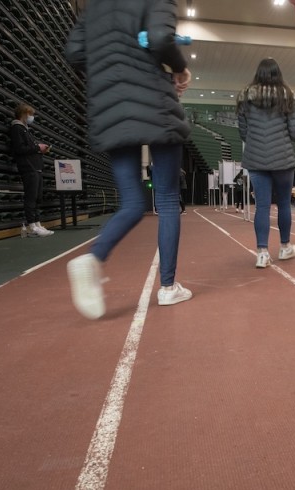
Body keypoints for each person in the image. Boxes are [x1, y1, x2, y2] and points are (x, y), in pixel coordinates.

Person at [64, 0, 193, 319]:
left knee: (132, 203)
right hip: (154, 101)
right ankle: (167, 288)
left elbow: (75, 53)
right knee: (165, 199)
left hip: (110, 109)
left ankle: (94, 257)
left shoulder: (93, 8)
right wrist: (180, 67)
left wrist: (112, 69)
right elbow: (162, 39)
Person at [237, 57, 295, 268]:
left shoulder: (245, 97)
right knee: (284, 204)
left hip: (256, 158)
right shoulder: (288, 97)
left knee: (262, 206)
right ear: (278, 74)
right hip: (282, 158)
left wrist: (258, 143)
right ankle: (284, 247)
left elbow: (243, 132)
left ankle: (262, 253)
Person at [10, 103, 53, 237]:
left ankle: (38, 223)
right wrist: (37, 148)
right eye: (30, 114)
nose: (32, 117)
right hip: (28, 167)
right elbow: (19, 149)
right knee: (31, 197)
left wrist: (40, 150)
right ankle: (31, 226)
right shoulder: (16, 128)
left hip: (36, 167)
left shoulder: (26, 129)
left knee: (37, 198)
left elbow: (29, 148)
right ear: (23, 114)